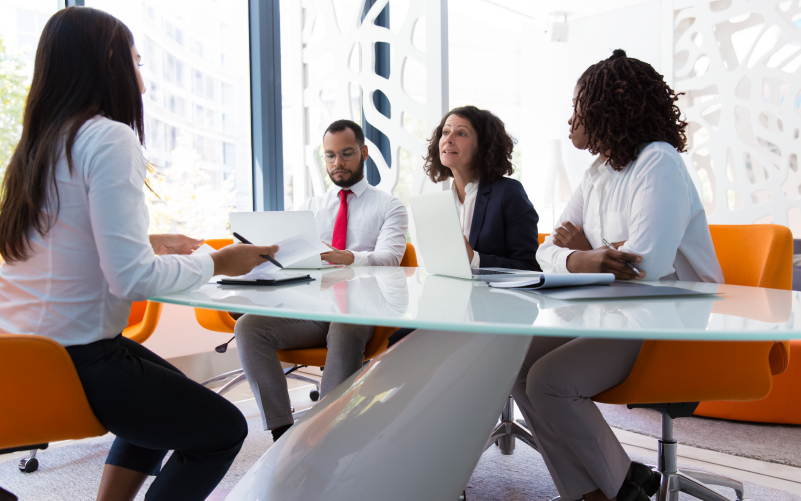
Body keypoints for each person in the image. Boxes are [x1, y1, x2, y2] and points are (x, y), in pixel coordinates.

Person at [0, 8, 279, 501]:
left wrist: (150, 241)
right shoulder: (108, 136)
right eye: (137, 59)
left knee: (163, 400)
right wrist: (219, 260)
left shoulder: (38, 145)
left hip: (26, 351)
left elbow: (52, 245)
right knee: (222, 429)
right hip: (79, 356)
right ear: (110, 61)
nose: (141, 75)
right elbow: (131, 280)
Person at [511, 50, 724, 501]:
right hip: (621, 315)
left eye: (578, 107)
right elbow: (544, 249)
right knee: (512, 365)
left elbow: (644, 266)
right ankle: (596, 490)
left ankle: (622, 487)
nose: (570, 120)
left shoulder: (659, 163)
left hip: (676, 324)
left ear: (608, 107)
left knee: (550, 381)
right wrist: (587, 258)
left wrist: (589, 252)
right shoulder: (598, 173)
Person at [233, 119, 408, 442]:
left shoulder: (389, 206)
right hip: (314, 308)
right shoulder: (309, 209)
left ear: (364, 153)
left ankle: (326, 436)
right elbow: (291, 261)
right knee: (248, 326)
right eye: (329, 156)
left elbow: (391, 259)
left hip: (362, 309)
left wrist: (349, 256)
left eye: (345, 153)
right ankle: (281, 431)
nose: (337, 163)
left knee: (343, 325)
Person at [388, 105, 540, 347]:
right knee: (396, 345)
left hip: (492, 319)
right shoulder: (440, 202)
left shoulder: (508, 193)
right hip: (449, 311)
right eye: (445, 132)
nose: (448, 139)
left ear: (484, 145)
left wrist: (474, 259)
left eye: (461, 133)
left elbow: (530, 270)